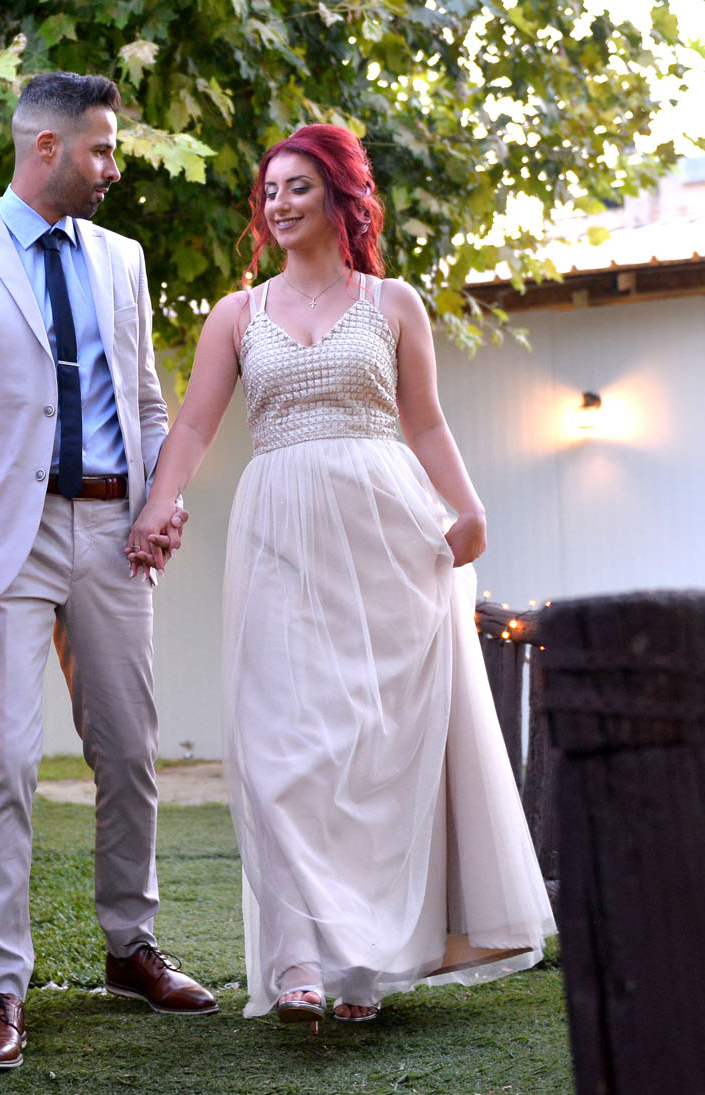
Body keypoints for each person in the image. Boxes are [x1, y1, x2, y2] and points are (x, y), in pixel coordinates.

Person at [126, 123, 556, 1030]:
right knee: (281, 747)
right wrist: (161, 503)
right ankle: (296, 962)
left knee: (370, 748)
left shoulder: (393, 303)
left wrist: (468, 505)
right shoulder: (237, 315)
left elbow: (425, 422)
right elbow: (195, 425)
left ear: (339, 199)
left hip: (385, 533)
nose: (279, 203)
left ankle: (361, 960)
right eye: (270, 189)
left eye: (299, 187)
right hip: (279, 532)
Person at [0, 72, 217, 1071]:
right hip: (4, 547)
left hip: (114, 536)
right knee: (0, 762)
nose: (114, 167)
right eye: (102, 149)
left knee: (128, 749)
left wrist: (160, 503)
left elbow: (147, 403)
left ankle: (131, 946)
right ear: (46, 147)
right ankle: (1, 983)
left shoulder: (123, 260)